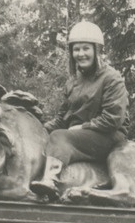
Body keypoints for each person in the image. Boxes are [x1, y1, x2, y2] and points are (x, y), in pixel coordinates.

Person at [30, 21, 129, 200]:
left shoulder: (112, 78)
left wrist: (83, 127)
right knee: (49, 136)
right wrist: (39, 129)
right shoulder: (73, 81)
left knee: (59, 137)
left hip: (107, 136)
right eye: (76, 49)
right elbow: (63, 118)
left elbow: (113, 119)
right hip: (79, 136)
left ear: (96, 50)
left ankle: (50, 180)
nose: (81, 54)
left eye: (86, 49)